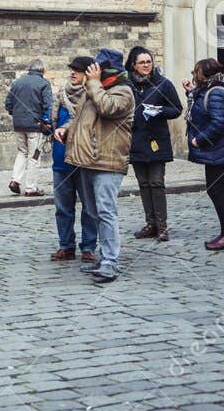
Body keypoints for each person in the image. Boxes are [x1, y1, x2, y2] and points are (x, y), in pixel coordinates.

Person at [55, 48, 135, 286]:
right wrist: (66, 129)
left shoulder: (123, 92)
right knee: (93, 212)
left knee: (106, 211)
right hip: (87, 160)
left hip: (108, 162)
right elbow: (79, 117)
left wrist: (94, 84)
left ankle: (110, 261)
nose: (91, 72)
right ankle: (104, 257)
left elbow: (108, 108)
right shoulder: (93, 91)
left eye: (96, 68)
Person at [126, 45, 183, 243]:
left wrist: (159, 110)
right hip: (135, 140)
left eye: (149, 61)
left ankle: (162, 226)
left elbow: (176, 109)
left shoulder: (163, 84)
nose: (146, 65)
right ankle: (150, 224)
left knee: (157, 183)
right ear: (133, 65)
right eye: (142, 62)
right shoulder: (128, 86)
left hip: (157, 141)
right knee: (143, 184)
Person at [185, 57, 224, 251]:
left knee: (216, 191)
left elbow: (218, 122)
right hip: (217, 150)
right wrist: (189, 92)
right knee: (221, 191)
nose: (194, 75)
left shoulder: (215, 92)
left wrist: (198, 140)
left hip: (218, 150)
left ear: (205, 74)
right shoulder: (212, 88)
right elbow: (202, 109)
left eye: (196, 72)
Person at [50, 58, 98, 263]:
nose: (73, 73)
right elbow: (51, 120)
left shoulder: (93, 97)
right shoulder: (60, 95)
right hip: (61, 160)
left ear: (88, 74)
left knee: (89, 207)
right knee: (63, 208)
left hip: (84, 160)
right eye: (72, 69)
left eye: (78, 70)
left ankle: (88, 247)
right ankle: (66, 245)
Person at [4, 59, 53, 196]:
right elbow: (48, 105)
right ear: (42, 70)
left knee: (21, 152)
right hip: (35, 126)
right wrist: (47, 122)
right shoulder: (44, 83)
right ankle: (31, 188)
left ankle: (15, 180)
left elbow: (8, 104)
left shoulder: (17, 82)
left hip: (18, 124)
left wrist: (17, 114)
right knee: (34, 156)